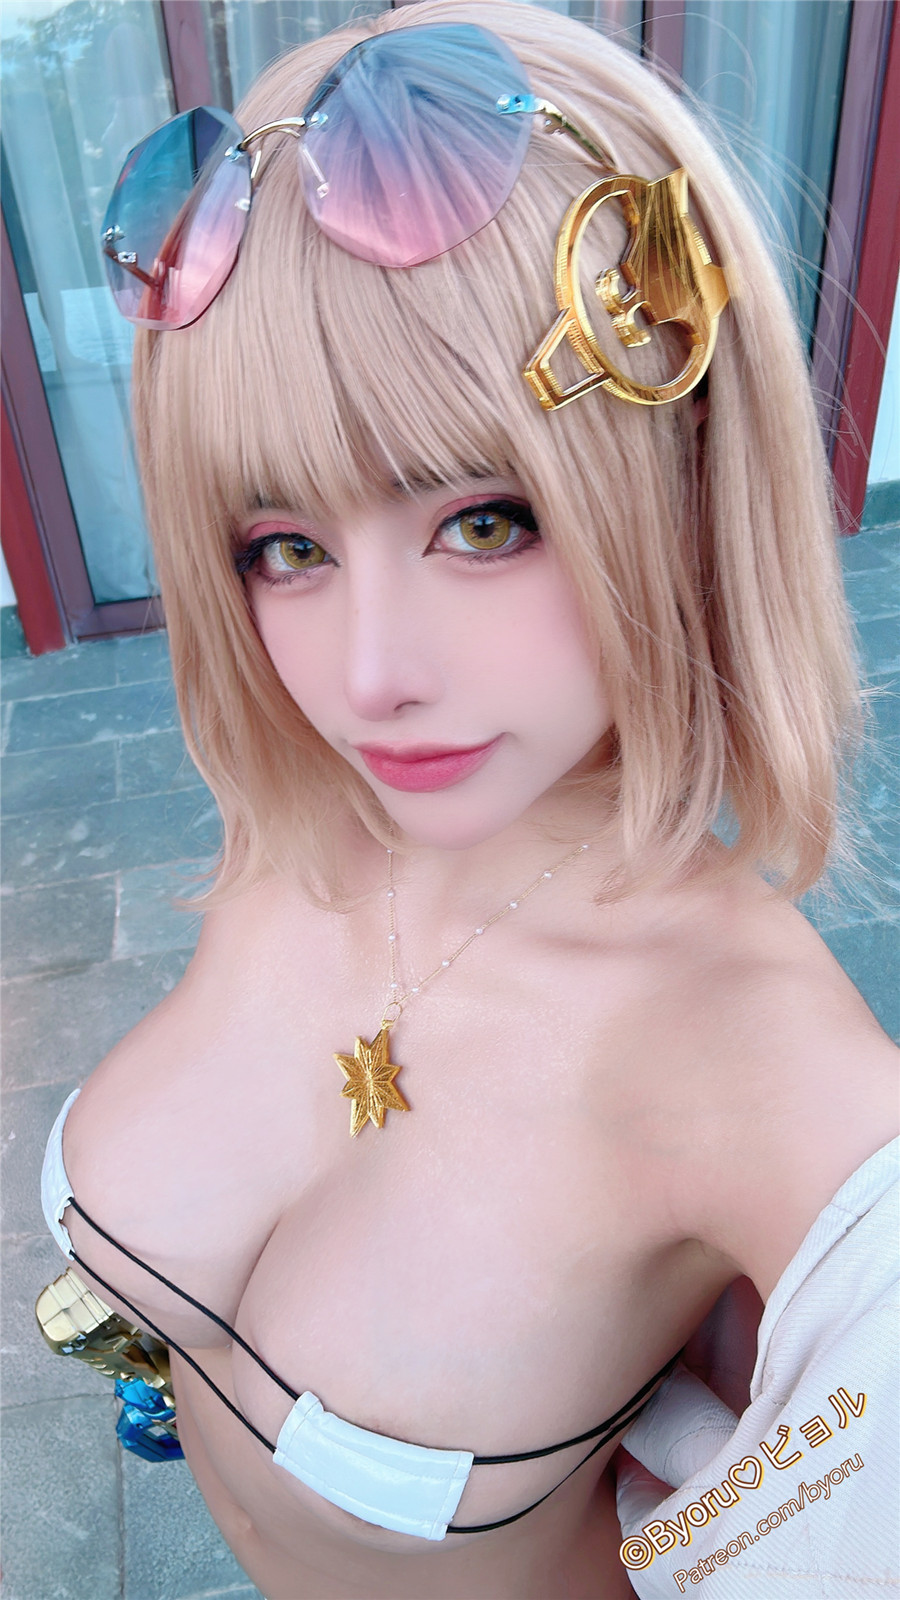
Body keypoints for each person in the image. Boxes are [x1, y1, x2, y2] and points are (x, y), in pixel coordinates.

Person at [38, 3, 898, 1596]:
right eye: (286, 546)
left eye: (485, 522)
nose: (369, 678)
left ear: (687, 482)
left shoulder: (778, 1079)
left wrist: (746, 1533)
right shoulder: (310, 827)